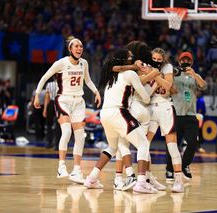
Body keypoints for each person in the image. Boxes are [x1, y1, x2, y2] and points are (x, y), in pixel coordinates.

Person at [83, 48, 157, 194]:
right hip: (119, 112)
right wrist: (151, 87)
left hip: (105, 114)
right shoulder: (130, 74)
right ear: (126, 60)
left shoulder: (113, 75)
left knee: (112, 147)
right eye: (131, 57)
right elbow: (146, 98)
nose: (133, 58)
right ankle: (141, 182)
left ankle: (91, 178)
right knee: (143, 143)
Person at [34, 38, 101, 184]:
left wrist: (96, 92)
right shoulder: (61, 63)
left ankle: (76, 170)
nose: (79, 48)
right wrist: (37, 96)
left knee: (80, 137)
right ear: (70, 49)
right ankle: (61, 166)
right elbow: (44, 77)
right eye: (76, 46)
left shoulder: (84, 63)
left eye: (81, 46)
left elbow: (88, 80)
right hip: (63, 100)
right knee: (66, 132)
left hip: (78, 102)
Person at [145, 47, 184, 193]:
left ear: (163, 61)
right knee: (144, 145)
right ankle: (148, 178)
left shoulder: (167, 67)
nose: (155, 61)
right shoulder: (145, 66)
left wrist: (154, 75)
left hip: (165, 106)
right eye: (153, 59)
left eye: (158, 60)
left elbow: (168, 86)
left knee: (172, 146)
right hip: (150, 106)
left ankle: (179, 180)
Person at [169, 51, 207, 180]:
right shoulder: (174, 74)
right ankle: (169, 169)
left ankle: (185, 165)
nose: (185, 62)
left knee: (192, 143)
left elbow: (203, 85)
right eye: (183, 60)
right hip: (176, 114)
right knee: (173, 144)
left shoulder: (194, 76)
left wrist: (195, 75)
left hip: (190, 115)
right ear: (179, 62)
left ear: (191, 62)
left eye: (188, 60)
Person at [43, 77, 61, 149]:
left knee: (49, 124)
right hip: (59, 103)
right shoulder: (62, 84)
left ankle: (48, 142)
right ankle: (57, 144)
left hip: (51, 104)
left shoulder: (49, 84)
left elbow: (47, 98)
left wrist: (45, 109)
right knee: (58, 125)